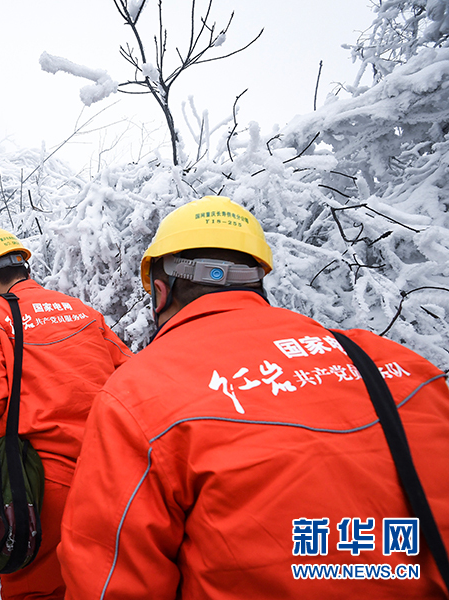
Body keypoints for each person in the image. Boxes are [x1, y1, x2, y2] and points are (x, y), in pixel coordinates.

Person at [57, 195, 449, 599]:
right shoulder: (396, 363)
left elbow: (107, 583)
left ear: (160, 293)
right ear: (258, 279)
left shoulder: (137, 395)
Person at [0, 227, 133, 600]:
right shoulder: (83, 311)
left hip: (39, 484)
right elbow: (132, 379)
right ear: (23, 267)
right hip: (111, 475)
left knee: (36, 590)